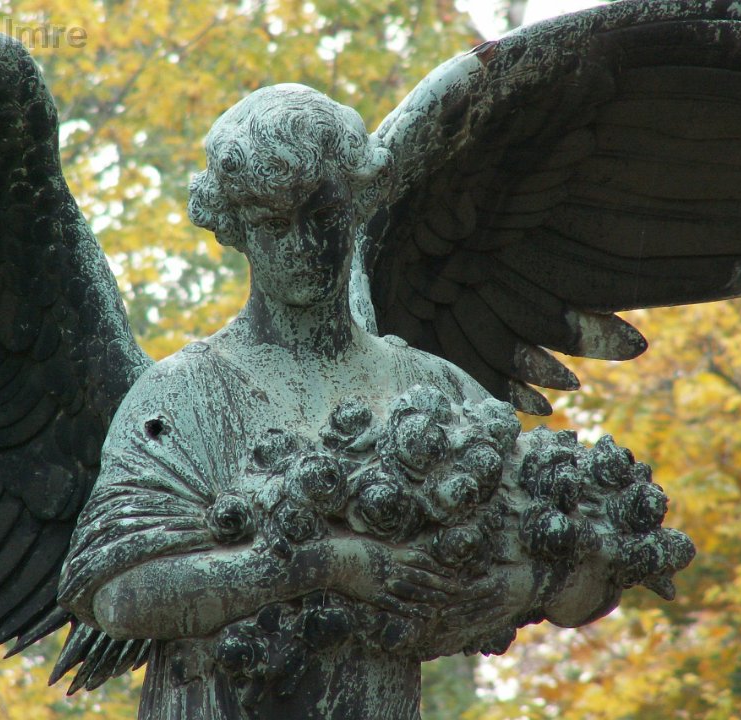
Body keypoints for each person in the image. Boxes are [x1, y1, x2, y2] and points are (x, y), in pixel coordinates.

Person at [58, 84, 620, 719]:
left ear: (358, 204)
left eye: (322, 216)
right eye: (273, 225)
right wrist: (326, 565)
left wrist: (525, 583)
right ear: (236, 228)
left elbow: (584, 577)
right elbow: (119, 594)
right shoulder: (184, 395)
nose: (302, 246)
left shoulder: (431, 390)